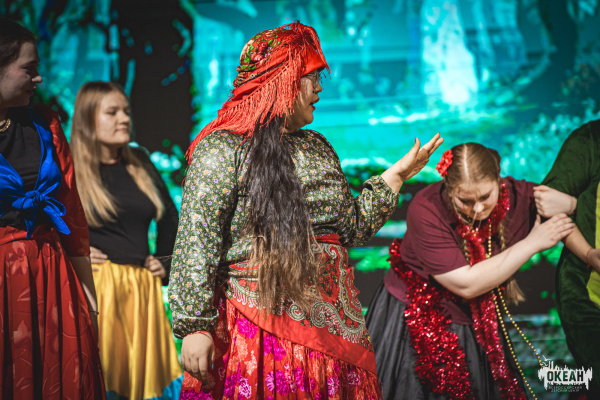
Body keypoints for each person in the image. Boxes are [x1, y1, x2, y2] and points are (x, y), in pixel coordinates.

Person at [168, 21, 443, 399]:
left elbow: (352, 229)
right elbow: (197, 242)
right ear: (281, 80)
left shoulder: (317, 146)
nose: (319, 88)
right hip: (259, 332)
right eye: (310, 77)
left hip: (335, 335)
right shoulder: (222, 148)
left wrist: (396, 175)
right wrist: (194, 326)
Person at [365, 143, 575, 400]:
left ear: (499, 181)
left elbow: (566, 218)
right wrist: (533, 243)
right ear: (449, 190)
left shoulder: (520, 196)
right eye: (465, 201)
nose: (477, 209)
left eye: (485, 197)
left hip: (477, 317)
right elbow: (467, 284)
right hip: (417, 317)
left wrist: (572, 204)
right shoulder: (426, 209)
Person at [0, 18, 105, 399]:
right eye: (29, 69)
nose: (39, 78)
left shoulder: (45, 123)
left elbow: (71, 212)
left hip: (51, 269)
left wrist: (87, 293)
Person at [70, 81, 182, 400]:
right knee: (105, 382)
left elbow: (170, 218)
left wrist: (164, 261)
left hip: (142, 289)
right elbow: (47, 222)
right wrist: (73, 253)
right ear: (87, 119)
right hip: (99, 289)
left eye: (126, 112)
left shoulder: (139, 161)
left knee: (147, 386)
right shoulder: (71, 168)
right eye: (112, 112)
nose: (124, 119)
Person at [534, 119, 600, 397]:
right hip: (589, 294)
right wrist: (589, 254)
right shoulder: (590, 140)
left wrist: (576, 204)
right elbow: (546, 203)